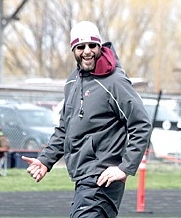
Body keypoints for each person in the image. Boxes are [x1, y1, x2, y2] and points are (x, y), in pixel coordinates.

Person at [21, 21, 152, 218]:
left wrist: (125, 168)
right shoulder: (73, 81)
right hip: (83, 178)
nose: (87, 51)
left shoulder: (115, 81)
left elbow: (141, 124)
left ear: (100, 46)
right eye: (80, 47)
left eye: (92, 45)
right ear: (73, 50)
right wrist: (45, 161)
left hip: (102, 179)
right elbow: (65, 128)